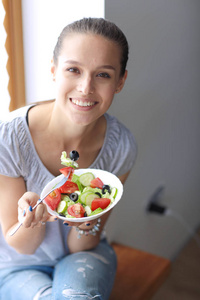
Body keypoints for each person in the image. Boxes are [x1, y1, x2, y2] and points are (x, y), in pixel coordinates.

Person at [0, 17, 137, 300]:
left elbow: (79, 247)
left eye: (103, 75)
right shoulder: (9, 139)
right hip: (15, 266)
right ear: (53, 70)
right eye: (73, 70)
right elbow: (21, 246)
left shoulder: (121, 147)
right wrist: (31, 219)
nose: (86, 87)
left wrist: (88, 221)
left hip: (82, 256)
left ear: (120, 81)